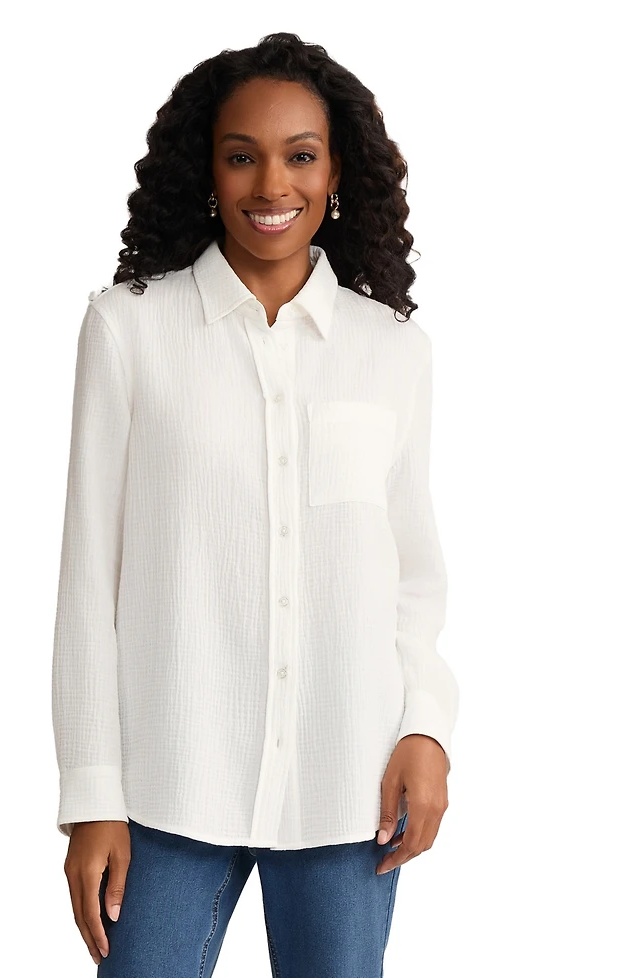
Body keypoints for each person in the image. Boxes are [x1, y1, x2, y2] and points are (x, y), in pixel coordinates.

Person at [51, 31, 459, 976]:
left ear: (336, 171)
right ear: (207, 169)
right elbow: (88, 580)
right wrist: (91, 793)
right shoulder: (128, 329)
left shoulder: (393, 350)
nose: (272, 184)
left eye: (300, 156)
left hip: (347, 779)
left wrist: (427, 727)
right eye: (242, 157)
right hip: (165, 782)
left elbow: (413, 575)